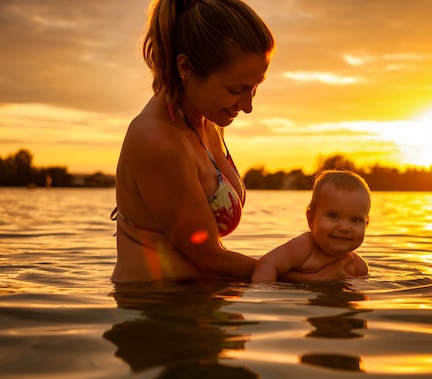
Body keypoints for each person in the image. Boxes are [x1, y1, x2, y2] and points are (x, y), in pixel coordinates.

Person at [111, 0, 356, 283]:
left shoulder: (207, 121)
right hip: (155, 314)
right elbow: (207, 256)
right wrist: (309, 277)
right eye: (235, 89)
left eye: (254, 88)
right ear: (186, 67)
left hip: (199, 307)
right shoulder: (157, 141)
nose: (248, 105)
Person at [252, 170, 371, 283]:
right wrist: (263, 293)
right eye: (333, 216)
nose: (345, 227)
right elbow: (267, 264)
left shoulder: (359, 267)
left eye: (356, 220)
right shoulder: (304, 248)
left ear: (366, 224)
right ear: (311, 220)